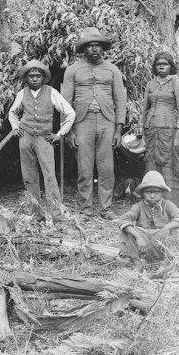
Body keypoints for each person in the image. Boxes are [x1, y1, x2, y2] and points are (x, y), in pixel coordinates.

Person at [61, 27, 127, 218]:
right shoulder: (72, 70)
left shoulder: (112, 70)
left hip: (107, 121)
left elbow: (120, 101)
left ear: (103, 48)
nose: (95, 50)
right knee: (84, 167)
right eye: (90, 46)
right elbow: (64, 103)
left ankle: (106, 208)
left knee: (107, 168)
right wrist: (69, 131)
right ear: (84, 49)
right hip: (82, 122)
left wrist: (118, 130)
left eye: (98, 46)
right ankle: (85, 209)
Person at [7, 59, 76, 216]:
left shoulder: (51, 92)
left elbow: (70, 113)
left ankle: (57, 215)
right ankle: (36, 213)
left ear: (43, 77)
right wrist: (16, 128)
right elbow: (12, 112)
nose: (35, 79)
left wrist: (60, 134)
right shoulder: (21, 94)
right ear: (26, 78)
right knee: (29, 176)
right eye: (31, 76)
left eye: (38, 76)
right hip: (25, 137)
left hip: (44, 138)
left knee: (49, 175)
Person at [142, 51, 179, 204]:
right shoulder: (150, 84)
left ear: (170, 66)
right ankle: (151, 200)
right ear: (155, 67)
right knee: (151, 161)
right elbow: (145, 109)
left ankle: (169, 202)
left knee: (168, 162)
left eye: (165, 64)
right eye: (158, 65)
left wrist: (178, 133)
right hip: (151, 129)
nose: (161, 67)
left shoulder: (176, 83)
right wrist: (143, 131)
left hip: (169, 129)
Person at [116, 171, 179, 263]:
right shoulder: (138, 206)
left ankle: (166, 263)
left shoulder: (168, 205)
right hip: (143, 245)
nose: (152, 196)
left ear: (162, 193)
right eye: (148, 192)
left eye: (156, 192)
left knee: (176, 228)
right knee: (125, 229)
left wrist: (166, 227)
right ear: (143, 193)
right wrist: (138, 237)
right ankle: (137, 262)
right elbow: (122, 220)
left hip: (162, 243)